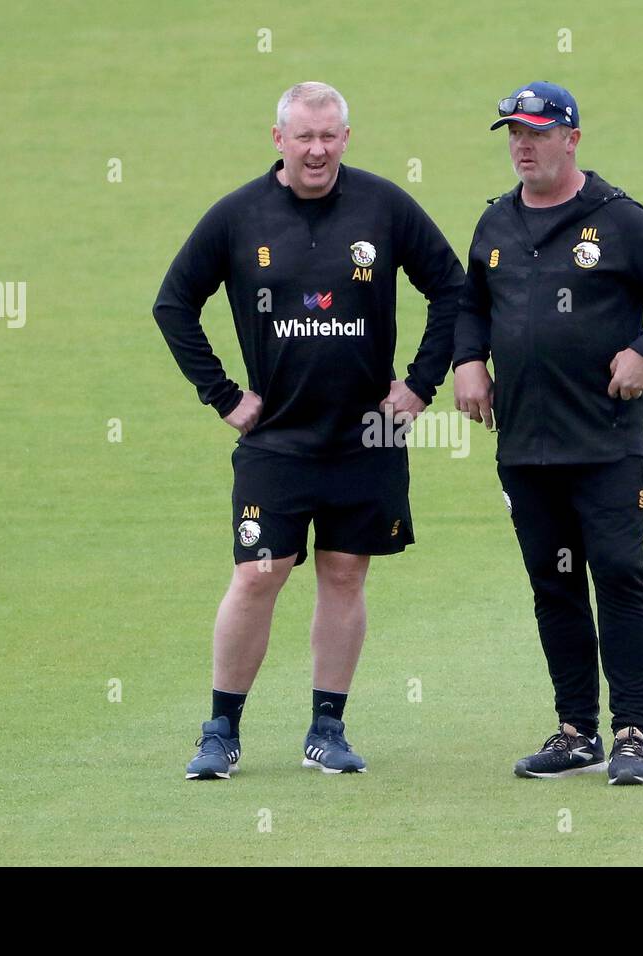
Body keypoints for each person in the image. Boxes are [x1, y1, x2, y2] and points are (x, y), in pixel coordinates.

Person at [153, 81, 463, 779]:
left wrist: (419, 385)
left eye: (330, 137)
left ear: (346, 139)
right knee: (259, 573)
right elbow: (173, 303)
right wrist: (222, 394)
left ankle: (327, 727)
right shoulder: (238, 216)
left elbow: (452, 287)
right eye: (304, 137)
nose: (317, 150)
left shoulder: (384, 206)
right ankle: (221, 729)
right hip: (277, 440)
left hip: (368, 438)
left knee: (347, 574)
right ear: (278, 140)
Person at [453, 81, 643, 785]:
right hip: (526, 446)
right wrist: (467, 361)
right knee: (554, 584)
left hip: (605, 444)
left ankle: (632, 732)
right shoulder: (496, 225)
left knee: (619, 578)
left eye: (536, 133)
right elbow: (469, 302)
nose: (523, 146)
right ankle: (576, 731)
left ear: (571, 137)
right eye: (513, 133)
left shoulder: (617, 218)